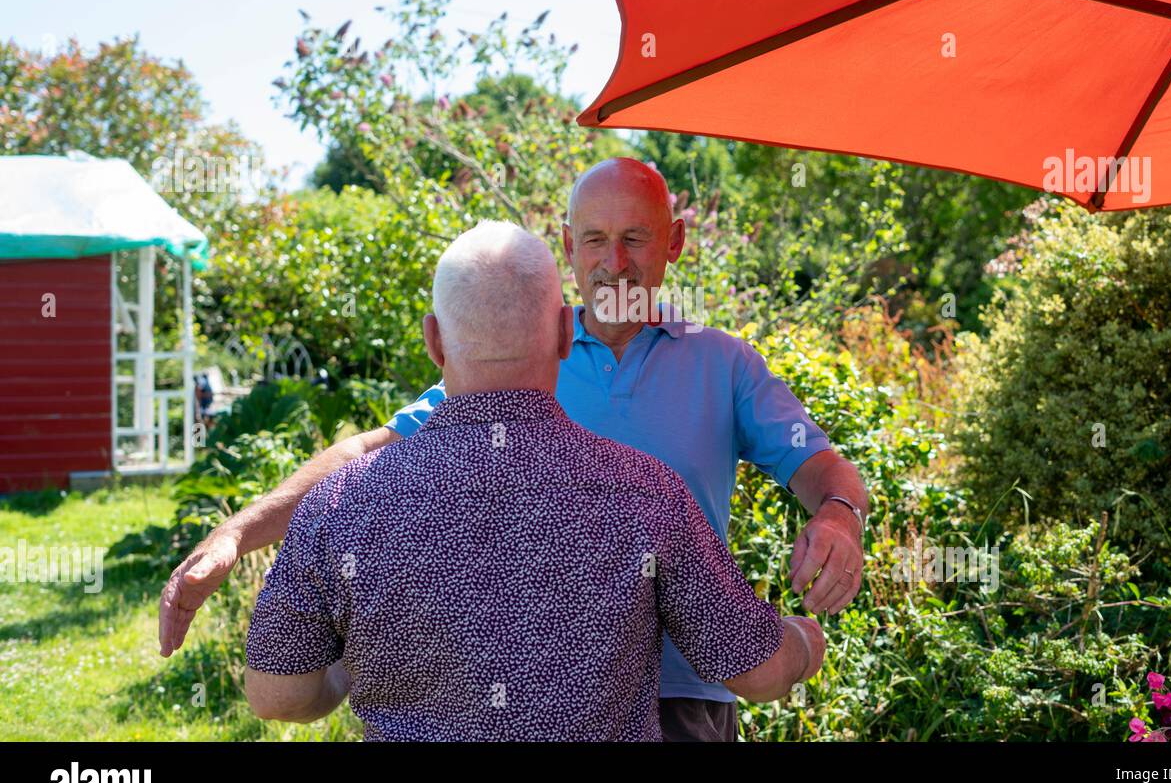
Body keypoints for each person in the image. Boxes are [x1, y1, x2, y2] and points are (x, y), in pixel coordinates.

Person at [164, 157, 868, 742]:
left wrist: (839, 515)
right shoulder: (518, 352)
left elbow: (824, 470)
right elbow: (365, 458)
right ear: (567, 246)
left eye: (635, 238)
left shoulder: (726, 365)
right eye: (594, 239)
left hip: (694, 683)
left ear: (675, 241)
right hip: (550, 691)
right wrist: (235, 533)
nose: (613, 262)